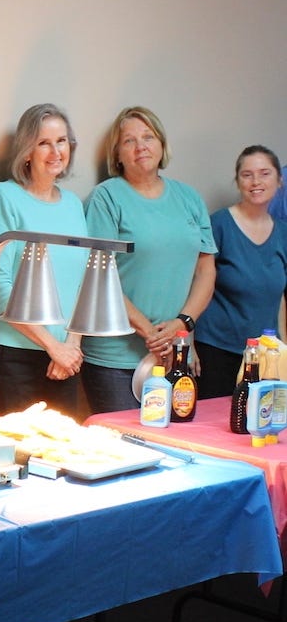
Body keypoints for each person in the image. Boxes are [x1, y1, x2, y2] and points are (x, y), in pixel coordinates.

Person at [83, 106, 216, 414]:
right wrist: (152, 334)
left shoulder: (189, 198)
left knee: (174, 452)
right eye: (128, 140)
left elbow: (206, 271)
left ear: (162, 145)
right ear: (117, 154)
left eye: (148, 136)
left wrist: (182, 327)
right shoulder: (106, 198)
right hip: (116, 359)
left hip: (177, 353)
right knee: (124, 451)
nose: (140, 146)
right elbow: (98, 276)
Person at [0, 104, 87, 417]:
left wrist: (71, 347)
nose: (55, 151)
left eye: (62, 141)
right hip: (17, 358)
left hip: (67, 360)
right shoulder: (4, 197)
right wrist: (52, 346)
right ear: (27, 151)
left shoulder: (73, 204)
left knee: (61, 458)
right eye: (44, 142)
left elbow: (82, 283)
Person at [194, 145, 287, 399]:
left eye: (264, 173)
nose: (256, 181)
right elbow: (197, 282)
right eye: (247, 175)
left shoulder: (283, 233)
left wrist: (284, 347)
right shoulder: (219, 224)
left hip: (265, 356)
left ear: (279, 180)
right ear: (237, 181)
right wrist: (188, 341)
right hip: (216, 349)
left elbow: (279, 297)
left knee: (260, 426)